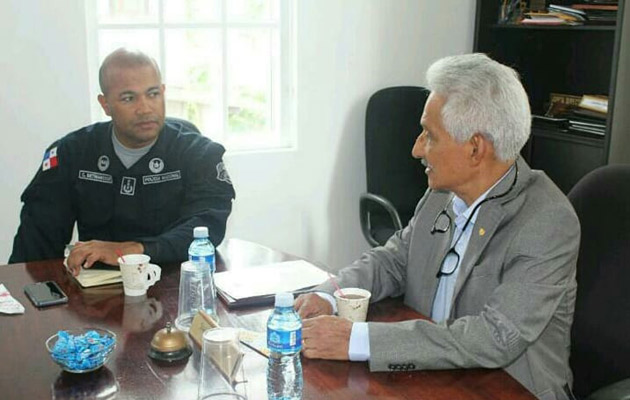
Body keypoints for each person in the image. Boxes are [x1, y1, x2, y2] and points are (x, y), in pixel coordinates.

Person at [295, 53, 580, 400]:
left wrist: (357, 339)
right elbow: (395, 260)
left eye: (429, 135)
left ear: (475, 149)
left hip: (511, 389)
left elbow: (495, 337)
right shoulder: (441, 194)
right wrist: (329, 293)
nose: (416, 149)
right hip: (434, 376)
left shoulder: (547, 221)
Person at [9, 48, 235, 275]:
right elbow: (34, 248)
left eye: (153, 94)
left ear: (164, 92)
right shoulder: (72, 153)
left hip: (174, 282)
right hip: (97, 291)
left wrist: (133, 250)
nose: (145, 108)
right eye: (129, 98)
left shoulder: (199, 153)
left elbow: (206, 228)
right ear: (105, 104)